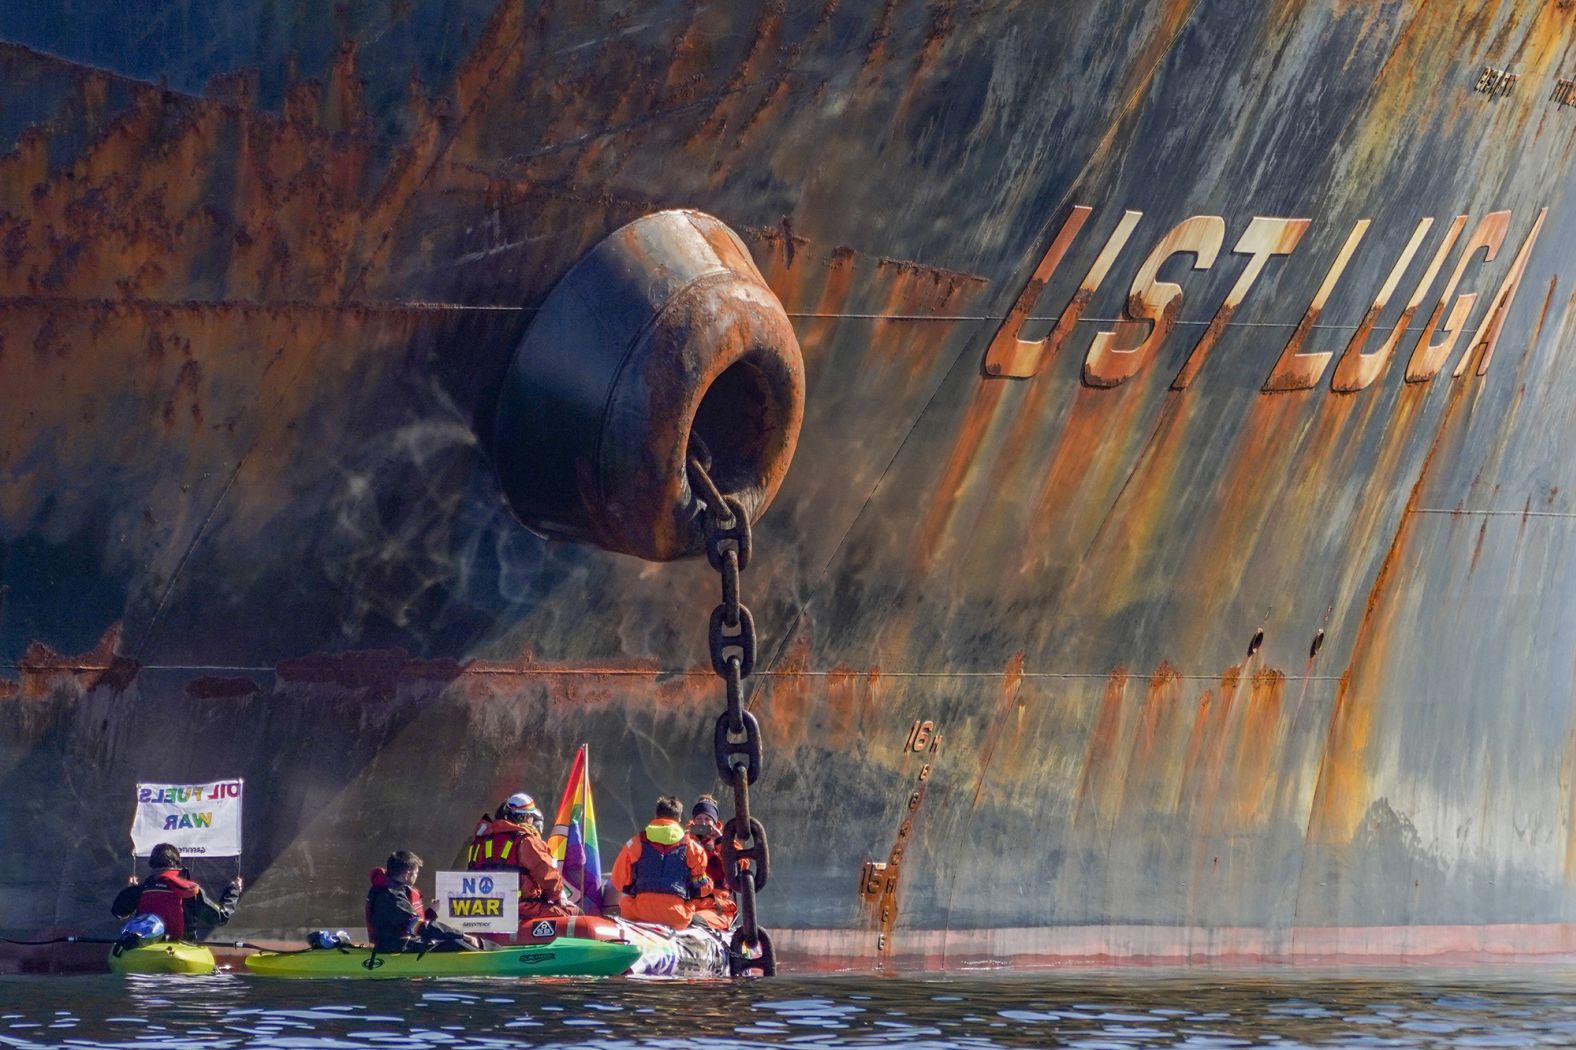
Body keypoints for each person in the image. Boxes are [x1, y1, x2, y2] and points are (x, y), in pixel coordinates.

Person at [467, 792, 578, 928]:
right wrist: (557, 897)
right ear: (525, 817)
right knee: (574, 913)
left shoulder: (479, 841)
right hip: (521, 909)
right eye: (531, 817)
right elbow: (547, 875)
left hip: (478, 909)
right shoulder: (526, 841)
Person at [610, 795, 713, 928]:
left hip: (638, 914)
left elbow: (619, 882)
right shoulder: (694, 848)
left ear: (656, 816)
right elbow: (701, 889)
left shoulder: (635, 843)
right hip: (677, 917)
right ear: (679, 818)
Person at [111, 843, 242, 941]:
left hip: (146, 947)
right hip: (181, 949)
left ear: (152, 864)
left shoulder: (140, 889)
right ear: (177, 864)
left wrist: (129, 890)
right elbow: (221, 918)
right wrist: (233, 890)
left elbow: (118, 912)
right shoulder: (190, 890)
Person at [365, 850, 483, 953]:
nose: (416, 877)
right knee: (459, 943)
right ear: (407, 874)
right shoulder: (392, 897)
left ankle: (491, 948)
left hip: (401, 944)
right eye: (416, 873)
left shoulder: (391, 892)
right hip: (396, 948)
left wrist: (431, 913)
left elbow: (408, 923)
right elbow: (418, 927)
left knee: (473, 942)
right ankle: (485, 959)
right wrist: (461, 935)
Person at [686, 795, 737, 930]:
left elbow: (740, 866)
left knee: (693, 921)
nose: (703, 823)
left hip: (718, 907)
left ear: (715, 822)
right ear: (693, 821)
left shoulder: (728, 843)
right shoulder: (685, 841)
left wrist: (720, 842)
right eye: (699, 819)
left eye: (707, 819)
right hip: (688, 903)